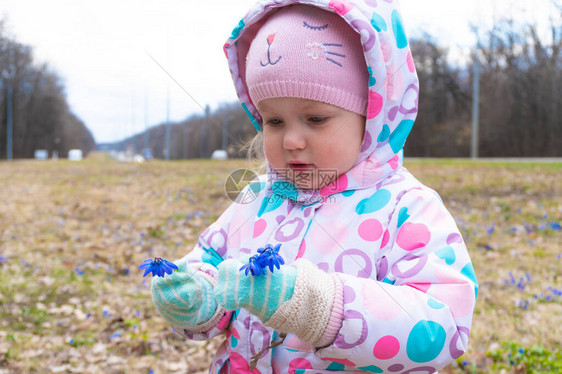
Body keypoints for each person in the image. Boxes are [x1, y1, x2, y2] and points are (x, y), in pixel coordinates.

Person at [150, 1, 478, 373]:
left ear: (372, 114)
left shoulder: (407, 209)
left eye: (316, 119)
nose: (291, 139)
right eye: (274, 120)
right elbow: (212, 263)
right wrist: (200, 298)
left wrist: (318, 308)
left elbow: (441, 328)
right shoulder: (257, 199)